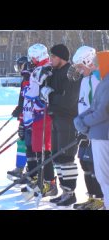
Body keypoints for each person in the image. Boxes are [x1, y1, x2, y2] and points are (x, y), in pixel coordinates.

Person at [43, 44, 81, 206]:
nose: (51, 59)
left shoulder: (71, 72)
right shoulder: (54, 72)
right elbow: (46, 92)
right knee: (57, 156)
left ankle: (70, 193)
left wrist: (50, 95)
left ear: (61, 58)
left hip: (68, 119)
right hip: (55, 117)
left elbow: (69, 100)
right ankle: (64, 190)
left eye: (53, 57)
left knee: (66, 157)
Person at [21, 43, 56, 199]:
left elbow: (40, 91)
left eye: (33, 57)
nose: (31, 60)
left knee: (44, 149)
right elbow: (31, 91)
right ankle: (41, 180)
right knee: (37, 148)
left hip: (44, 114)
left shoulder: (47, 68)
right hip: (35, 114)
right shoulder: (38, 69)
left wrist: (40, 96)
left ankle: (50, 182)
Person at [71, 46, 105, 210]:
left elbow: (97, 107)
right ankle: (91, 196)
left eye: (80, 66)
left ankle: (100, 197)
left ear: (89, 62)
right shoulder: (85, 80)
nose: (78, 70)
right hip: (83, 127)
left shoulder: (98, 79)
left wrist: (87, 125)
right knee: (84, 162)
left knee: (93, 163)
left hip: (94, 129)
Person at [7, 56, 31, 180]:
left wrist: (21, 110)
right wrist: (19, 109)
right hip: (24, 116)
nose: (19, 69)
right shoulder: (24, 80)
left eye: (19, 66)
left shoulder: (30, 79)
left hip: (31, 118)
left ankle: (31, 170)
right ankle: (20, 168)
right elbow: (23, 99)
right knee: (21, 142)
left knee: (29, 144)